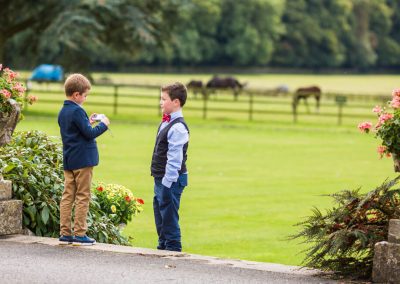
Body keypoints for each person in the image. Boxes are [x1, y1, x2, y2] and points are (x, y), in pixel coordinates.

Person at [58, 73, 110, 246]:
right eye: (85, 95)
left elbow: (76, 131)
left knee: (67, 196)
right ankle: (80, 233)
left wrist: (87, 121)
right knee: (82, 196)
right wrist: (103, 124)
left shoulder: (63, 111)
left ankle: (65, 233)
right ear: (76, 95)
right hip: (83, 161)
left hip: (69, 159)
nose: (85, 98)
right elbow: (89, 134)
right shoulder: (77, 110)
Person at [151, 82, 190, 252]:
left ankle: (173, 249)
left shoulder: (179, 127)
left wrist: (167, 183)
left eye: (163, 99)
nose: (160, 102)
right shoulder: (166, 122)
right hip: (160, 178)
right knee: (160, 215)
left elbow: (175, 158)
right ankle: (163, 246)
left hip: (171, 179)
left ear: (176, 102)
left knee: (169, 217)